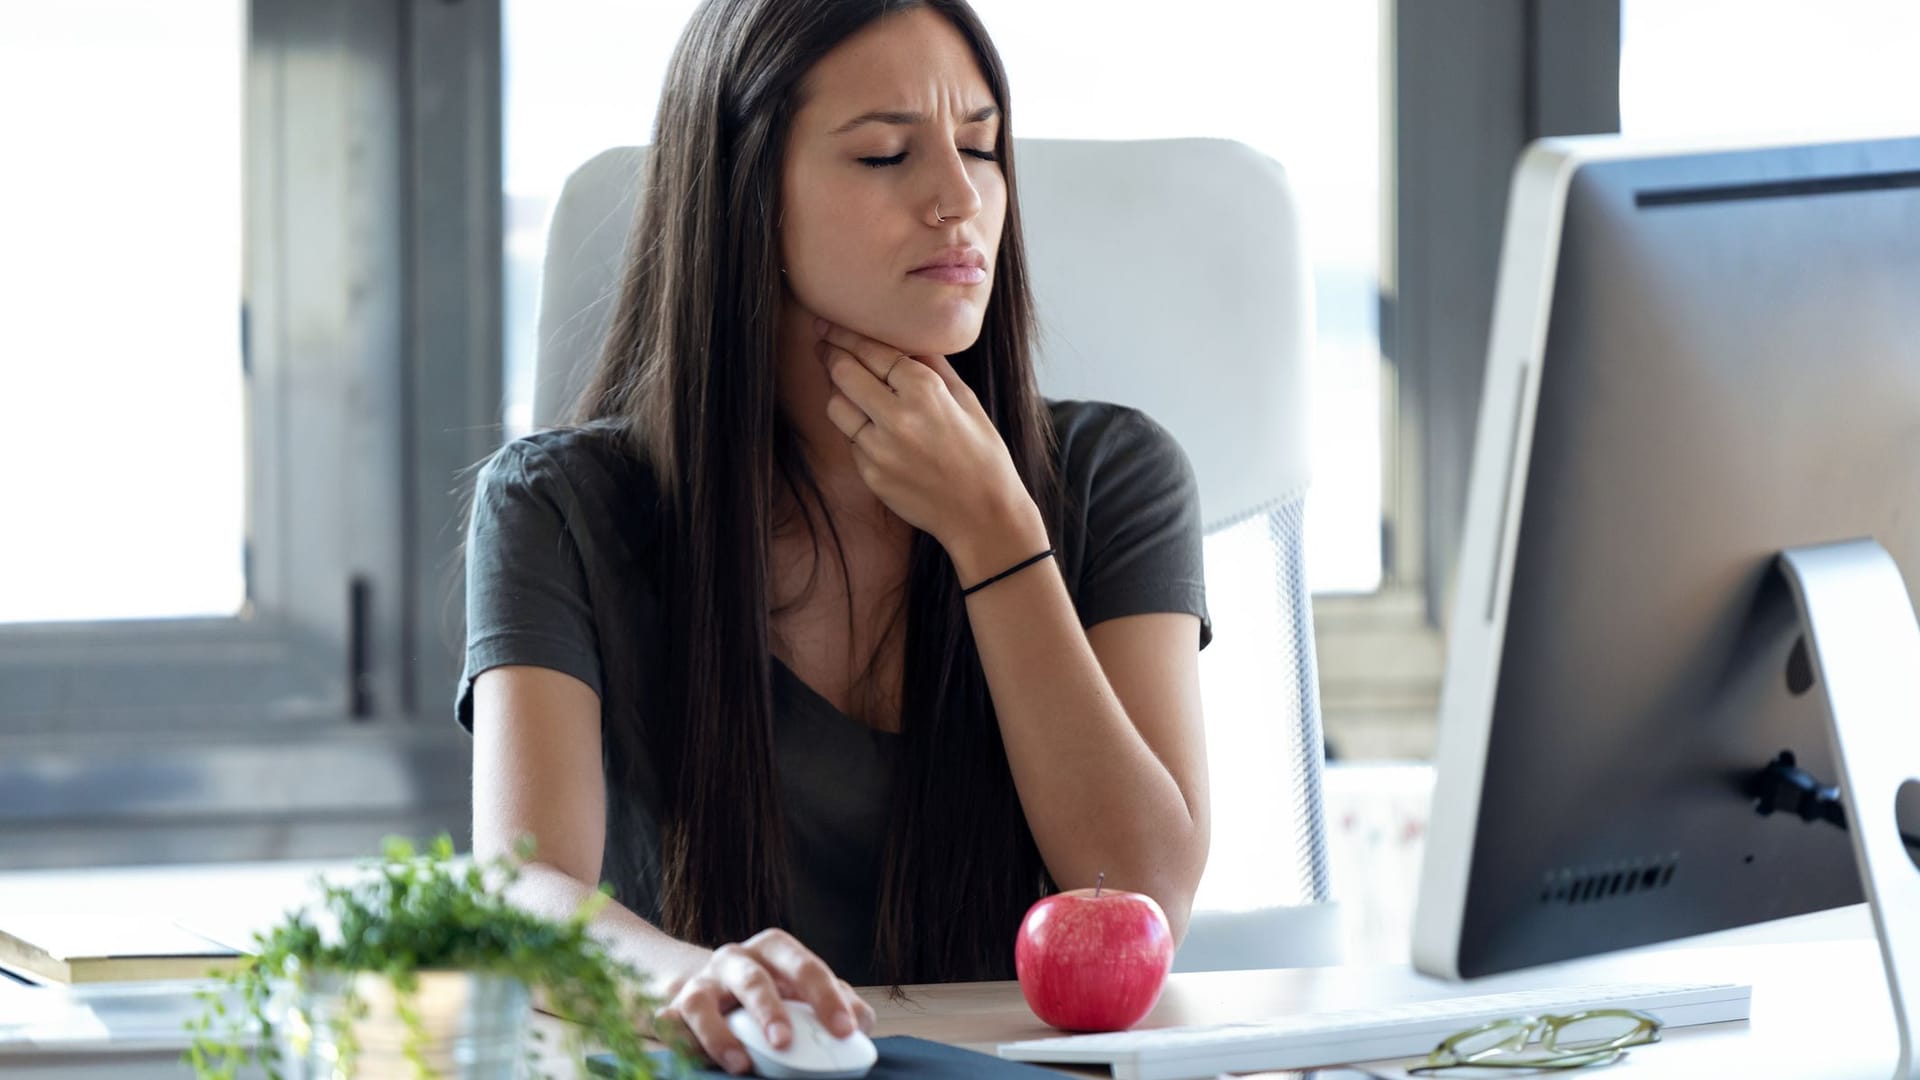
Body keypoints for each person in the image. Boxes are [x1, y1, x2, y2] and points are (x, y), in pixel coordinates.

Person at [459, 0, 1214, 1073]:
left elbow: (1144, 894)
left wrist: (994, 529)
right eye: (885, 154)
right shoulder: (558, 507)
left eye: (983, 147)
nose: (961, 199)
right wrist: (695, 978)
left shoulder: (1116, 477)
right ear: (747, 196)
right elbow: (524, 894)